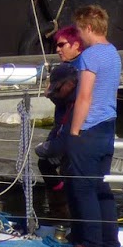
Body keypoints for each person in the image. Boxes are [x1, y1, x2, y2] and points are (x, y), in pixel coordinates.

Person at [61, 4, 121, 247]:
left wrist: (74, 131)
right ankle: (110, 244)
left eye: (79, 30)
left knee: (84, 189)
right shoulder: (114, 53)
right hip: (108, 126)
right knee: (101, 187)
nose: (79, 35)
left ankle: (90, 246)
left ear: (87, 27)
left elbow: (84, 96)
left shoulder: (90, 55)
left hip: (89, 127)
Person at [35, 25, 82, 199]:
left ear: (76, 45)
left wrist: (50, 92)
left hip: (70, 131)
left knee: (46, 160)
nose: (57, 49)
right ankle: (61, 200)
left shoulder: (69, 70)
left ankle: (60, 203)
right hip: (64, 127)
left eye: (62, 45)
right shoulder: (73, 67)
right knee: (49, 164)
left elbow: (62, 96)